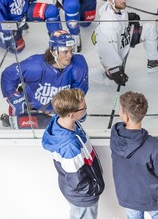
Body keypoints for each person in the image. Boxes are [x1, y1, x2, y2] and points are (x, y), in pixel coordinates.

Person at [0, 30, 88, 129]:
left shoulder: (78, 66)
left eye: (71, 50)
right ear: (53, 51)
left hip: (59, 111)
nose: (70, 55)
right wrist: (13, 96)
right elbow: (8, 75)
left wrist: (76, 107)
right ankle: (11, 121)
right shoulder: (35, 66)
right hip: (31, 107)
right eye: (65, 51)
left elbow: (78, 93)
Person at [42, 89, 105, 219]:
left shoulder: (61, 120)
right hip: (83, 197)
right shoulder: (70, 147)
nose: (86, 110)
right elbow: (76, 182)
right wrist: (95, 187)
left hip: (76, 192)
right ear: (71, 114)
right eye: (84, 108)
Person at [94, 0, 158, 87]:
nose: (123, 0)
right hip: (113, 50)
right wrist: (115, 70)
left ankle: (153, 62)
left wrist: (128, 18)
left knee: (149, 29)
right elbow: (106, 50)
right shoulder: (108, 25)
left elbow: (119, 18)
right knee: (110, 81)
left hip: (123, 38)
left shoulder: (115, 7)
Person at [111, 91, 158, 219]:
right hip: (152, 199)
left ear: (126, 117)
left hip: (128, 197)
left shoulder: (115, 137)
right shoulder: (153, 146)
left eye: (120, 110)